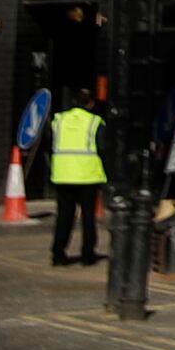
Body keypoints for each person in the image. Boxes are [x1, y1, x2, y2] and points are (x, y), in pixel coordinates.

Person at [44, 82, 112, 266]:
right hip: (87, 176)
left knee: (64, 215)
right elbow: (103, 148)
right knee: (88, 216)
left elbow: (50, 143)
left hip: (63, 174)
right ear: (90, 103)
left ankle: (58, 254)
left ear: (74, 101)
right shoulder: (94, 122)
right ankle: (88, 254)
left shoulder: (59, 120)